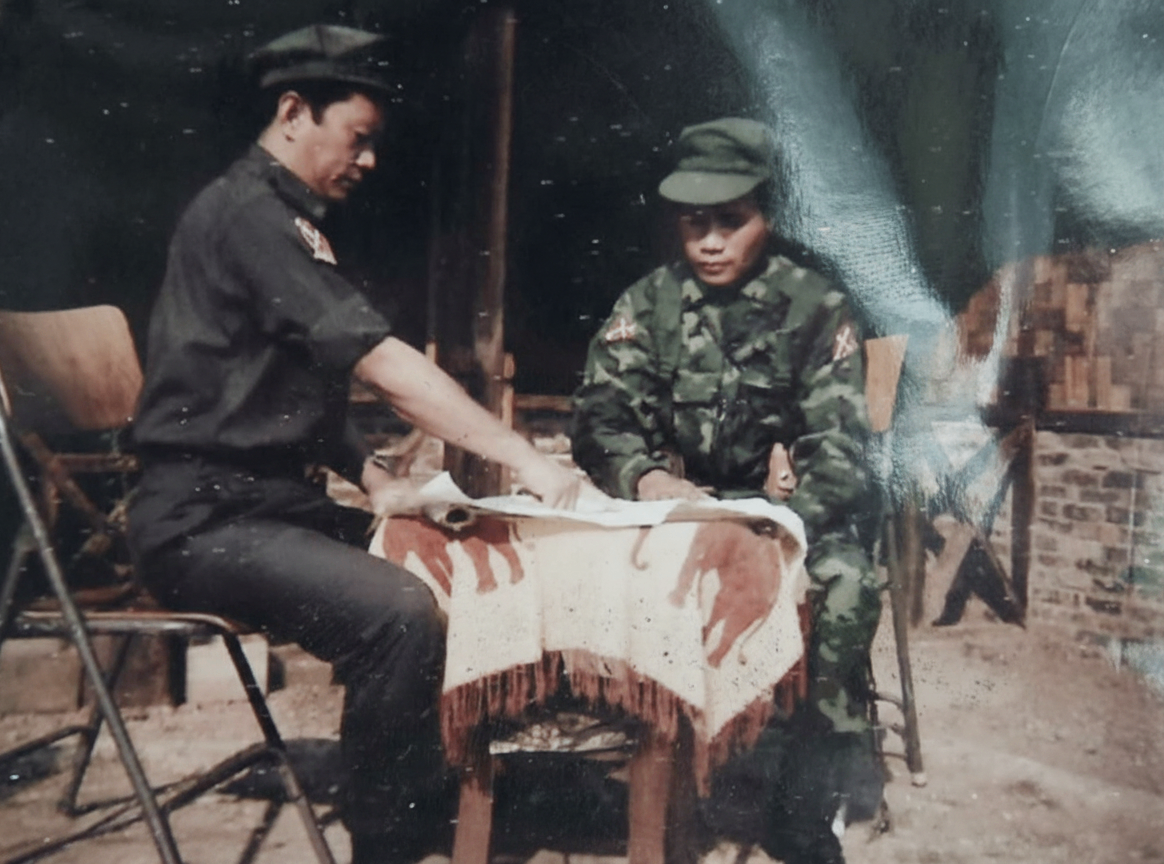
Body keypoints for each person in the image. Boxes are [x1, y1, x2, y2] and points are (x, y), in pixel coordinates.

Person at [126, 24, 583, 864]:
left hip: (265, 509)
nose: (369, 160)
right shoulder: (250, 218)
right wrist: (524, 457)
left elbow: (288, 382)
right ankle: (389, 842)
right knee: (398, 618)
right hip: (201, 523)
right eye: (358, 137)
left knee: (453, 555)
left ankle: (439, 792)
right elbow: (380, 364)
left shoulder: (280, 219)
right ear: (293, 112)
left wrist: (371, 474)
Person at [570, 118, 882, 863]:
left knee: (846, 588)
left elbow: (841, 446)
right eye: (694, 223)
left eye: (730, 222)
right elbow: (600, 416)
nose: (709, 242)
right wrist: (645, 476)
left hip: (789, 518)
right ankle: (649, 786)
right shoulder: (650, 305)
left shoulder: (815, 307)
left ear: (767, 216)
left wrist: (780, 526)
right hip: (682, 512)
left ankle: (802, 806)